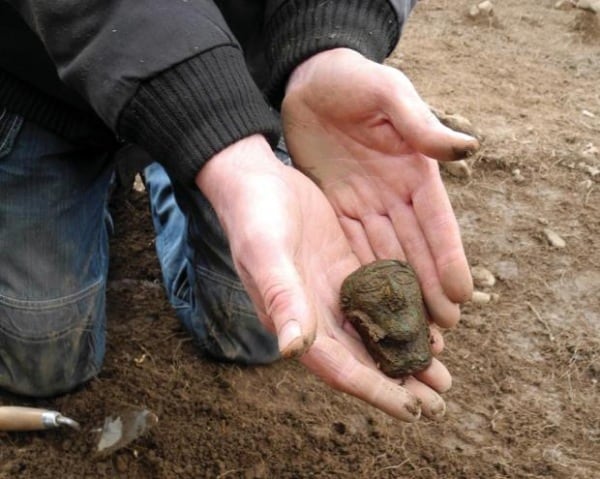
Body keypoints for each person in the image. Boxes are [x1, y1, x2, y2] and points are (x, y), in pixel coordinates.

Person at [0, 1, 478, 422]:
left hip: (236, 79)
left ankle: (179, 160)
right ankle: (162, 153)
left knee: (256, 329)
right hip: (38, 72)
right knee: (40, 362)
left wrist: (329, 38)